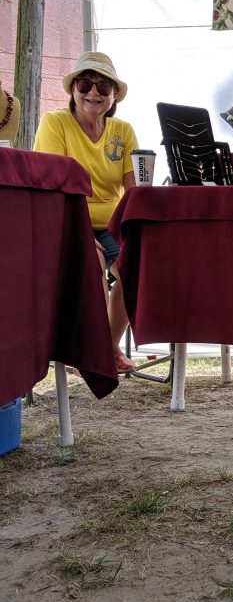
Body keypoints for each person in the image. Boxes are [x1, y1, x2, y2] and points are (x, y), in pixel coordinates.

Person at [33, 51, 139, 373]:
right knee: (90, 265)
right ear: (73, 90)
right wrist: (81, 235)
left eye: (103, 87)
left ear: (113, 96)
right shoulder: (55, 122)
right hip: (67, 217)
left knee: (132, 266)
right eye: (85, 83)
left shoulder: (123, 131)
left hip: (111, 222)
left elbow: (134, 192)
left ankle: (107, 348)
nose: (93, 92)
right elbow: (52, 186)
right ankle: (85, 351)